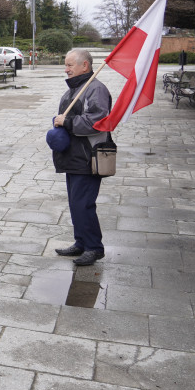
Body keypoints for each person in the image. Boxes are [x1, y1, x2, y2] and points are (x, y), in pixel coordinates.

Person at [51, 48, 112, 267]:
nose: (66, 69)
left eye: (69, 65)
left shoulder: (96, 89)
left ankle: (94, 248)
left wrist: (66, 122)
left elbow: (97, 122)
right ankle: (81, 242)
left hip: (88, 156)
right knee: (75, 203)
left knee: (83, 204)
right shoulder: (77, 88)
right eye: (66, 65)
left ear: (84, 66)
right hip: (74, 157)